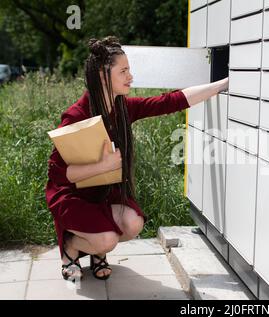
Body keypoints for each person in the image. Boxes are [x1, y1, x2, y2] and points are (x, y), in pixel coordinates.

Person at [45, 36, 228, 281]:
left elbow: (170, 101)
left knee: (133, 224)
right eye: (124, 71)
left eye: (129, 69)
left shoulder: (123, 108)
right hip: (71, 197)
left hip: (102, 193)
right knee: (108, 239)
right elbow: (59, 175)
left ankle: (96, 248)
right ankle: (70, 247)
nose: (130, 76)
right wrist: (103, 166)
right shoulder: (76, 115)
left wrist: (222, 84)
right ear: (103, 75)